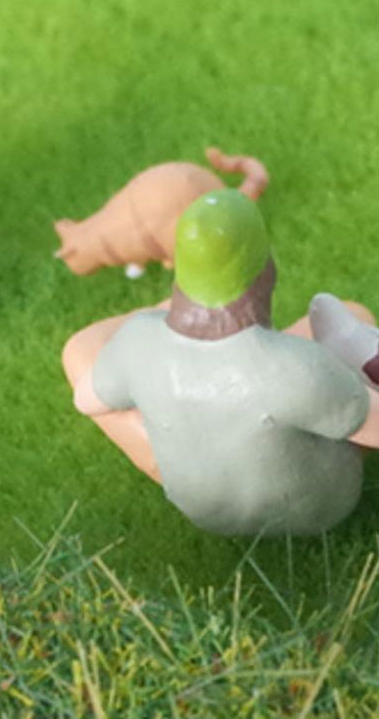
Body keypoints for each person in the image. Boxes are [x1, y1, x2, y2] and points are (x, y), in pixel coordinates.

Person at [64, 189, 379, 536]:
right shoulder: (297, 366)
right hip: (317, 507)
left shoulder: (136, 339)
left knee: (88, 356)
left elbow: (86, 400)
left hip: (203, 511)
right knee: (354, 317)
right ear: (265, 271)